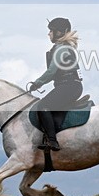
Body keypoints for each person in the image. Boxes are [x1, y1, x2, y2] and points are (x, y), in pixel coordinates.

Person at [28, 17, 83, 151]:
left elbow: (52, 71)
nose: (49, 34)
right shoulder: (63, 48)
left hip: (68, 86)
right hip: (69, 86)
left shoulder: (61, 49)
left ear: (58, 32)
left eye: (51, 31)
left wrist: (37, 83)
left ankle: (52, 141)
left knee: (43, 106)